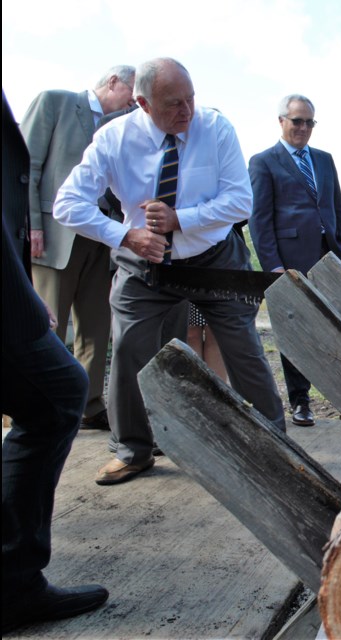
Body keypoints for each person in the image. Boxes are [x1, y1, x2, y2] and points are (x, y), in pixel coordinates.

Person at [53, 57, 285, 486]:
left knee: (244, 347)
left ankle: (275, 445)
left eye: (191, 98)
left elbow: (240, 203)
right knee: (127, 350)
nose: (187, 111)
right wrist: (126, 236)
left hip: (215, 259)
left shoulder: (216, 129)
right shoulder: (113, 139)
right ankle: (133, 450)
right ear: (142, 102)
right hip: (143, 264)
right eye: (173, 103)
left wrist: (181, 219)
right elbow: (68, 204)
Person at [2, 90, 109, 634]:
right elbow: (31, 171)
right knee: (55, 389)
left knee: (71, 375)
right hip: (42, 249)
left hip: (85, 249)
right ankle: (13, 582)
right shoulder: (56, 102)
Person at [19, 65, 137, 431]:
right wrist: (31, 226)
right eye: (132, 92)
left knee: (96, 328)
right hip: (55, 236)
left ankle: (86, 404)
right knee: (47, 323)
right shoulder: (55, 103)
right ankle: (33, 404)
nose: (135, 101)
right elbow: (27, 166)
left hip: (102, 242)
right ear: (113, 81)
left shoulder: (126, 126)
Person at [248, 94, 341, 427]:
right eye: (297, 121)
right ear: (281, 121)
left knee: (334, 330)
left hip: (329, 259)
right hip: (289, 261)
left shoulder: (324, 159)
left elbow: (337, 208)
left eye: (309, 122)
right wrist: (273, 266)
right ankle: (301, 401)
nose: (304, 128)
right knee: (296, 333)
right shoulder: (263, 162)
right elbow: (259, 220)